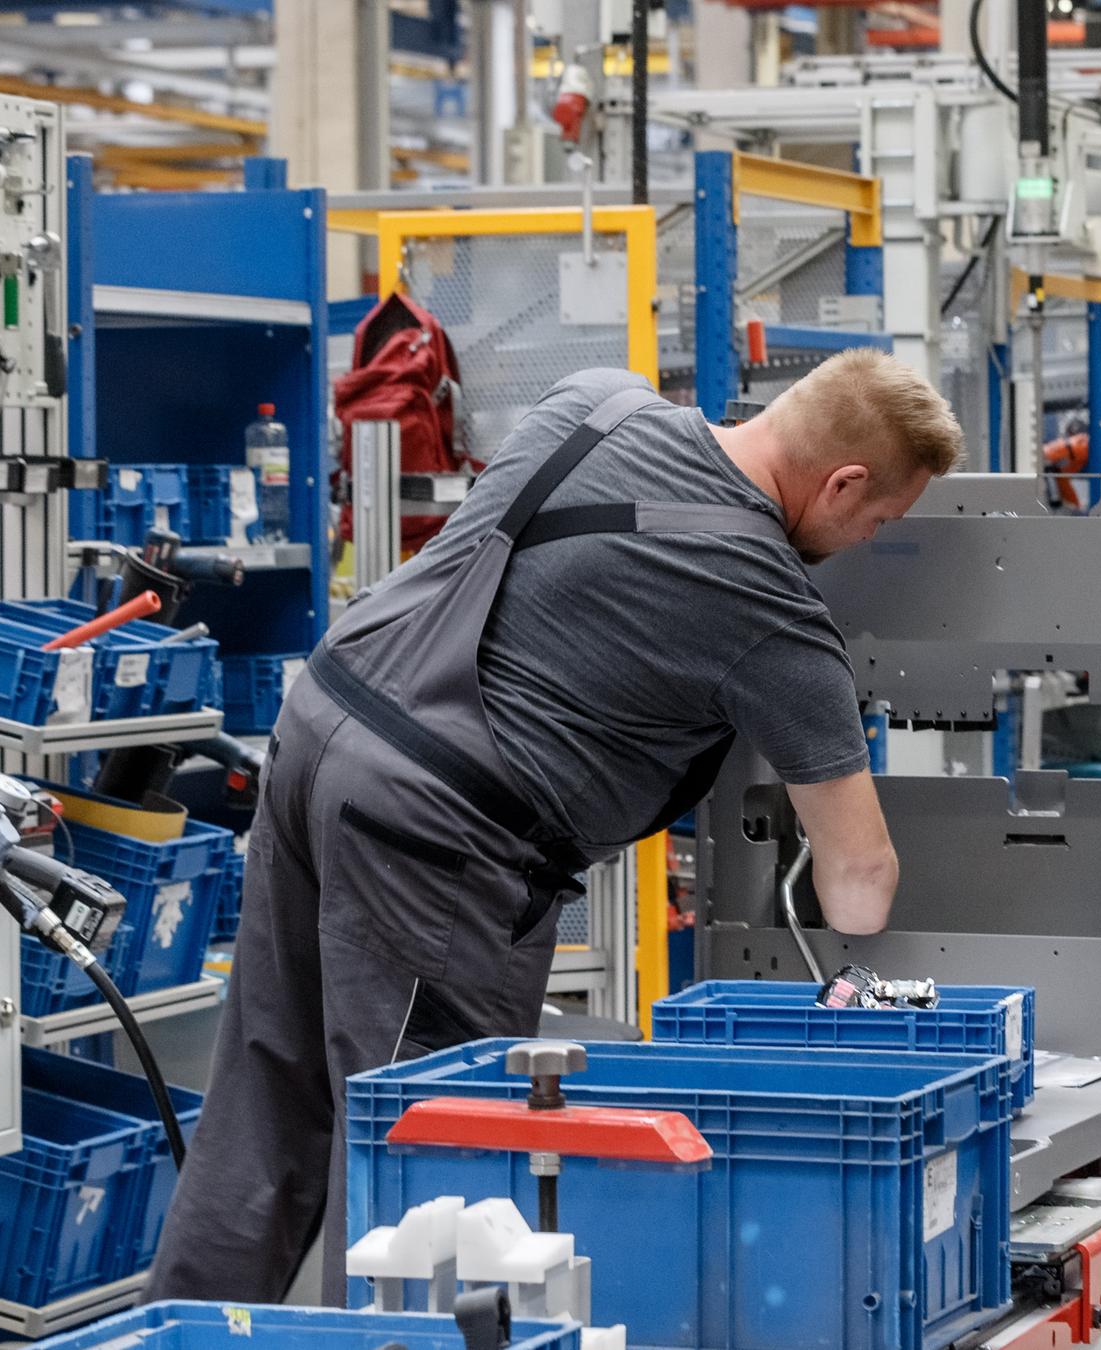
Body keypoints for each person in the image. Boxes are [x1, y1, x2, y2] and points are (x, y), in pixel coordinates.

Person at [148, 351, 964, 1303]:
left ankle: (183, 1329)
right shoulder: (771, 611)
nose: (867, 541)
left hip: (319, 730)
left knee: (267, 1097)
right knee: (429, 1174)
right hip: (434, 839)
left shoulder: (597, 400)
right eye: (878, 521)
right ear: (845, 480)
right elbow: (859, 886)